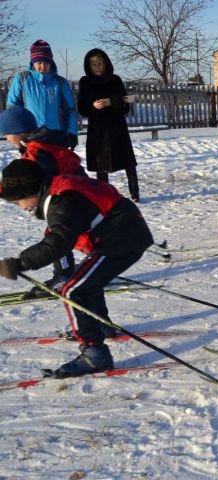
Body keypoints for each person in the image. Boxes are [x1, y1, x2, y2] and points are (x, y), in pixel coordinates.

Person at [0, 159, 154, 377]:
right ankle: (101, 325)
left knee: (73, 290)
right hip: (120, 236)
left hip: (120, 241)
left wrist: (20, 263)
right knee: (87, 282)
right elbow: (57, 238)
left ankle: (95, 354)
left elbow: (59, 241)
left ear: (31, 191)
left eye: (18, 200)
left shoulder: (61, 200)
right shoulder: (58, 193)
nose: (21, 207)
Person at [0, 105, 86, 299]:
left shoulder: (37, 151)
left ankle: (64, 274)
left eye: (7, 134)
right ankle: (69, 269)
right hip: (69, 191)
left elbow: (31, 180)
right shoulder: (36, 144)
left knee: (56, 234)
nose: (6, 138)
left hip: (68, 195)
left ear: (18, 132)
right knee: (59, 232)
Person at [77, 48, 140, 201]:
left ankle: (135, 192)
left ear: (106, 63)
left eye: (100, 63)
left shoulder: (115, 80)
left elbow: (126, 105)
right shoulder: (85, 82)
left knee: (127, 161)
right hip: (98, 129)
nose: (97, 67)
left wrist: (115, 101)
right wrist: (93, 107)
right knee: (101, 164)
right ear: (88, 66)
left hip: (117, 127)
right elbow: (82, 108)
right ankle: (104, 195)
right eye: (93, 64)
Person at [7, 40, 79, 150]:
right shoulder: (23, 79)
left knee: (56, 166)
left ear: (51, 62)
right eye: (39, 63)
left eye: (46, 63)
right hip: (31, 136)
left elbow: (70, 109)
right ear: (33, 63)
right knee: (35, 167)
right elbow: (13, 108)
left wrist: (72, 133)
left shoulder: (60, 82)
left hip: (56, 135)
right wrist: (18, 134)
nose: (42, 66)